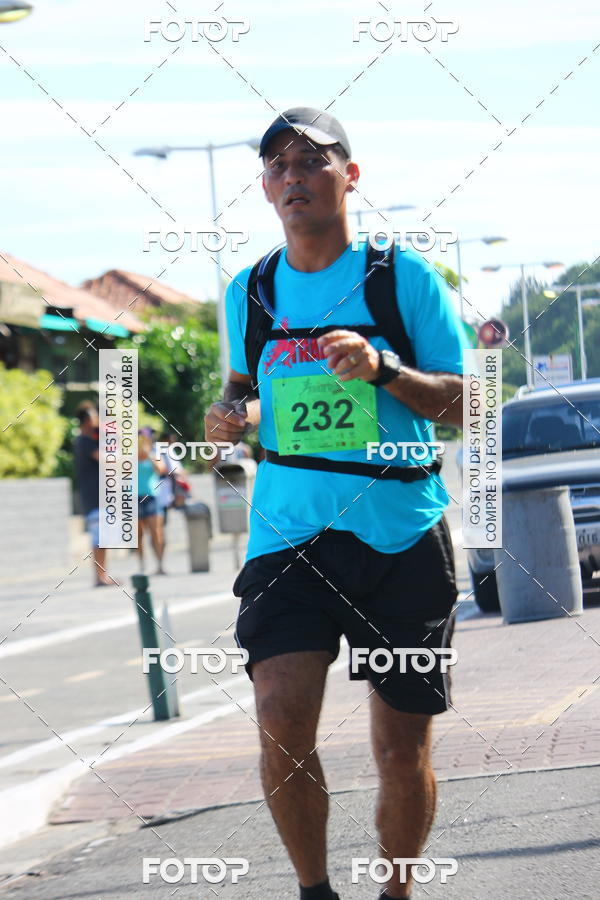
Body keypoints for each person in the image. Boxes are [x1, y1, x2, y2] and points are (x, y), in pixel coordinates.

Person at [205, 108, 465, 900]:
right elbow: (242, 393)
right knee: (281, 722)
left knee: (398, 748)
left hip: (399, 535)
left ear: (350, 176)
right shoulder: (247, 291)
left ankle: (396, 891)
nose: (293, 177)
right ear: (264, 188)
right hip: (288, 536)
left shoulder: (401, 279)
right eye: (278, 166)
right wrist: (227, 418)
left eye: (311, 161)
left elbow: (462, 402)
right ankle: (315, 892)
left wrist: (383, 368)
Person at [73, 401, 117, 587]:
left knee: (103, 538)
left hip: (100, 498)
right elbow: (107, 459)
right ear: (87, 420)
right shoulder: (84, 441)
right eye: (94, 416)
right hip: (94, 498)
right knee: (99, 538)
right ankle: (99, 577)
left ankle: (103, 575)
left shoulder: (91, 440)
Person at [137, 430, 167, 575]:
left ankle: (160, 565)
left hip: (151, 497)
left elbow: (161, 470)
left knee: (156, 532)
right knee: (138, 534)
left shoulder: (154, 455)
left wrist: (148, 455)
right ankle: (142, 566)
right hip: (134, 497)